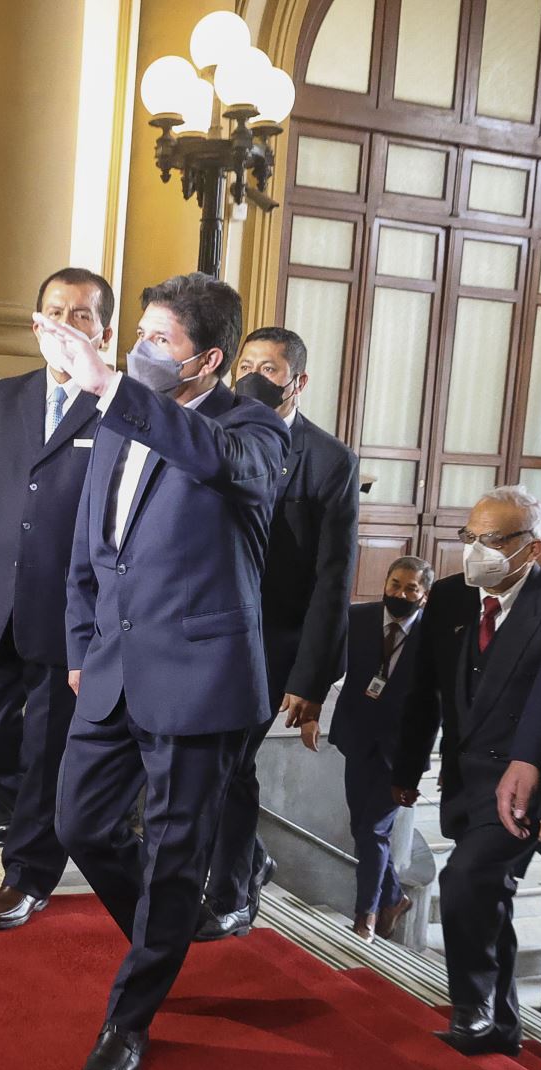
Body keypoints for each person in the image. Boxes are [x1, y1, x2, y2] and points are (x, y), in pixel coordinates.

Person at [37, 272, 289, 1070]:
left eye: (159, 340)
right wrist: (81, 642)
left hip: (200, 677)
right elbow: (91, 545)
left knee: (178, 855)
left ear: (207, 359)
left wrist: (113, 383)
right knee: (81, 825)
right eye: (137, 334)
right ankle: (167, 933)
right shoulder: (117, 417)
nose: (140, 348)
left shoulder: (253, 428)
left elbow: (215, 461)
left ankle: (130, 1017)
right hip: (109, 666)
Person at [0, 266, 115, 925]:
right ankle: (36, 812)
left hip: (70, 613)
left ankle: (29, 876)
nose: (66, 325)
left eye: (82, 315)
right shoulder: (3, 397)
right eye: (54, 312)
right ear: (35, 323)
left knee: (46, 749)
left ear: (104, 331)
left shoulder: (117, 408)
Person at [396, 486, 541, 1056]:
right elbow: (425, 694)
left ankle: (474, 1008)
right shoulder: (448, 598)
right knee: (484, 894)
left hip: (535, 784)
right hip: (468, 779)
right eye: (469, 537)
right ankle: (501, 1021)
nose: (477, 551)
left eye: (493, 540)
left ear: (533, 548)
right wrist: (407, 769)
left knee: (468, 882)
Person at [196, 326, 360, 939]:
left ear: (298, 380)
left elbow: (332, 577)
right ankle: (248, 862)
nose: (255, 376)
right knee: (213, 762)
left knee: (229, 761)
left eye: (270, 366)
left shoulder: (329, 459)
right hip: (209, 629)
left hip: (274, 641)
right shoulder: (212, 430)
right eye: (247, 363)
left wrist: (312, 678)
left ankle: (234, 891)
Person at [324, 556, 432, 942]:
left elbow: (434, 707)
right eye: (395, 584)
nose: (400, 593)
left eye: (410, 588)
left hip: (399, 750)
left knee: (373, 829)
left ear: (424, 595)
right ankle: (394, 897)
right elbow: (329, 662)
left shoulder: (433, 636)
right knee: (360, 826)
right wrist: (309, 710)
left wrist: (416, 768)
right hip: (357, 738)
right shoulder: (360, 618)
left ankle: (365, 914)